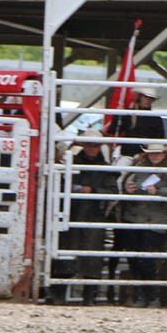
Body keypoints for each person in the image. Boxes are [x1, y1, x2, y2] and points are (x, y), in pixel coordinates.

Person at [114, 142, 167, 307]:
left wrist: (159, 192)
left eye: (157, 153)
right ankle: (145, 296)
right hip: (136, 218)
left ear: (164, 154)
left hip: (154, 218)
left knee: (145, 258)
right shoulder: (140, 168)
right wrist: (129, 189)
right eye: (152, 153)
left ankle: (149, 296)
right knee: (134, 258)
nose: (154, 156)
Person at [60, 130, 117, 305]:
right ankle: (60, 293)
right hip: (75, 213)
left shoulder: (103, 168)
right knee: (66, 254)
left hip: (92, 213)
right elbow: (60, 184)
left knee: (90, 257)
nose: (93, 149)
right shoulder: (74, 163)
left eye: (96, 145)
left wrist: (92, 190)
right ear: (84, 146)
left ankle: (87, 296)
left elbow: (113, 191)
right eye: (90, 145)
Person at [112, 86, 166, 161]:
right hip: (128, 156)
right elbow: (114, 131)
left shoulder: (156, 119)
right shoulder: (128, 115)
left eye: (151, 98)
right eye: (146, 97)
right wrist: (117, 116)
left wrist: (146, 153)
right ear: (139, 97)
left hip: (149, 157)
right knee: (119, 169)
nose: (148, 100)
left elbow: (160, 140)